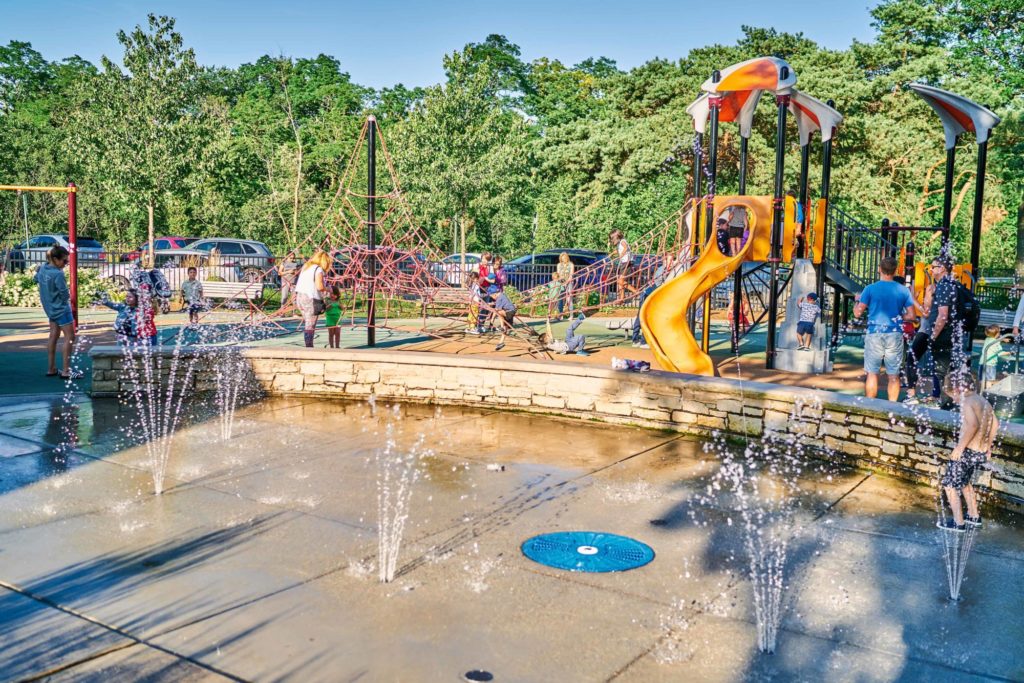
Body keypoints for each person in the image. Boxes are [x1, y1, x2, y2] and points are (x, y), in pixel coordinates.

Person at [937, 372, 998, 531]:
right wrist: (988, 446)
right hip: (979, 452)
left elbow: (973, 425)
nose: (953, 399)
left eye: (952, 396)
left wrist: (959, 448)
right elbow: (995, 424)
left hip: (967, 451)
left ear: (958, 389)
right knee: (964, 482)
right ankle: (973, 515)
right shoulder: (983, 400)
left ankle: (958, 522)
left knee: (949, 485)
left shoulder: (967, 402)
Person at [854, 256, 916, 401]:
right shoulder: (903, 290)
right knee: (893, 374)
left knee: (872, 373)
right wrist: (898, 317)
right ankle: (892, 408)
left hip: (874, 333)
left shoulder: (870, 289)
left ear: (879, 269)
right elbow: (912, 315)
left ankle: (871, 406)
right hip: (894, 334)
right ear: (895, 271)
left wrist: (857, 301)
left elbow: (857, 314)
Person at [35, 245, 80, 379]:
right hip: (61, 309)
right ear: (55, 259)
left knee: (53, 335)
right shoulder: (58, 274)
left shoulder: (43, 268)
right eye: (64, 261)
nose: (65, 264)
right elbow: (65, 294)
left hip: (49, 308)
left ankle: (51, 368)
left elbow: (35, 279)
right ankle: (66, 370)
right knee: (70, 337)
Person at [926, 255, 966, 393]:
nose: (931, 270)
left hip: (944, 335)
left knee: (941, 369)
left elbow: (942, 316)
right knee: (951, 368)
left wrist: (933, 336)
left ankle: (941, 399)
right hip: (954, 332)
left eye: (933, 267)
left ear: (942, 268)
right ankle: (947, 398)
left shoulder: (944, 286)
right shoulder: (955, 284)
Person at [295, 250, 330, 348]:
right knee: (310, 325)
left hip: (300, 297)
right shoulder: (318, 269)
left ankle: (309, 345)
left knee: (308, 322)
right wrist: (329, 289)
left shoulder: (306, 267)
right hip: (310, 299)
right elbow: (320, 287)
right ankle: (309, 347)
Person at [609, 229, 638, 302]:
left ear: (616, 237)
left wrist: (621, 255)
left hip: (626, 262)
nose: (612, 240)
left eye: (612, 238)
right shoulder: (619, 243)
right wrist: (612, 254)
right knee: (620, 281)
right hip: (624, 262)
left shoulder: (622, 241)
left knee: (620, 281)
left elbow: (626, 248)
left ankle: (636, 292)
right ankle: (621, 299)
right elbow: (619, 250)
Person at [980, 324, 1010, 389]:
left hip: (982, 362)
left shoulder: (987, 339)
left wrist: (1002, 339)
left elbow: (994, 339)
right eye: (999, 332)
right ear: (997, 334)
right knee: (989, 380)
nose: (1000, 333)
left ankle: (981, 392)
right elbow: (1000, 353)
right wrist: (1009, 353)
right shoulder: (996, 343)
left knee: (982, 379)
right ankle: (988, 391)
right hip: (990, 364)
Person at [490, 284, 516, 351]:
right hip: (510, 311)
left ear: (495, 294)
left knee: (498, 312)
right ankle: (501, 342)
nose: (493, 298)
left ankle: (501, 327)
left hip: (509, 312)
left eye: (492, 296)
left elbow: (496, 310)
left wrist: (492, 319)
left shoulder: (499, 298)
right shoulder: (502, 295)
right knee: (505, 328)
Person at [556, 252, 575, 317]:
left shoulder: (571, 264)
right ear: (560, 258)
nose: (564, 259)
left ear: (567, 257)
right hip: (561, 283)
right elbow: (558, 275)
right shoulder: (559, 265)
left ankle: (571, 315)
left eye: (565, 257)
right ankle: (560, 315)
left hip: (569, 282)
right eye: (562, 258)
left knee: (569, 298)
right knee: (560, 298)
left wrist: (567, 282)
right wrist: (561, 282)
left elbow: (571, 275)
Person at [324, 285, 342, 349]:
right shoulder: (327, 300)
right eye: (331, 294)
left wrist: (341, 306)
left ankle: (337, 346)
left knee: (337, 333)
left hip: (337, 318)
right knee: (331, 333)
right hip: (330, 318)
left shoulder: (338, 300)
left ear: (337, 295)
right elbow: (324, 309)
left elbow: (342, 308)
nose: (332, 295)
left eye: (334, 294)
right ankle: (332, 346)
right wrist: (328, 306)